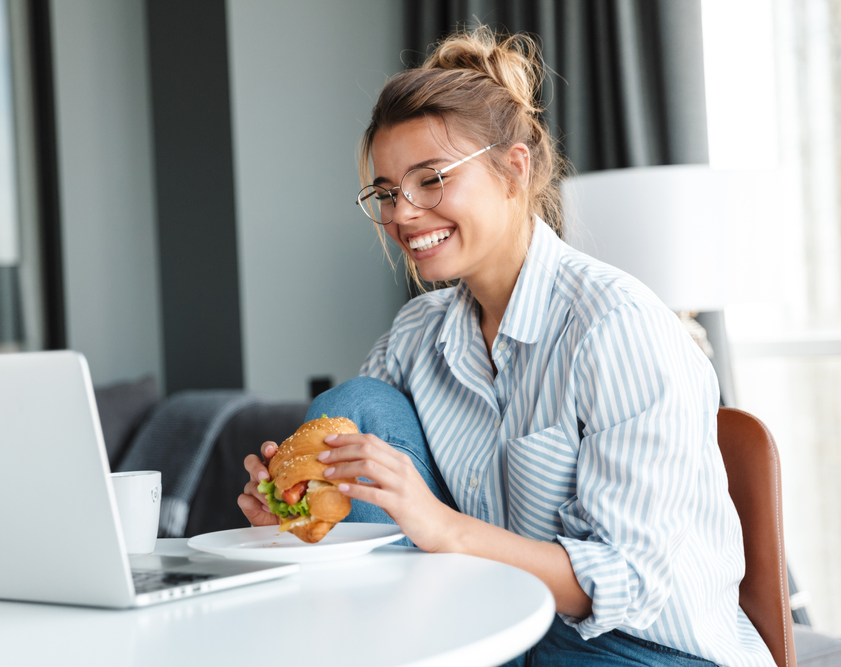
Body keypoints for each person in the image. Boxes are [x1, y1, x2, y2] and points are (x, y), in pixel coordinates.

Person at [238, 27, 775, 667]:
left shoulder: (617, 326)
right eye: (386, 192)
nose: (404, 214)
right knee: (355, 406)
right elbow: (375, 528)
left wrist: (438, 525)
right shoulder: (414, 338)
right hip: (495, 632)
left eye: (431, 179)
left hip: (641, 647)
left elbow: (624, 584)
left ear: (514, 169)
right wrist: (304, 520)